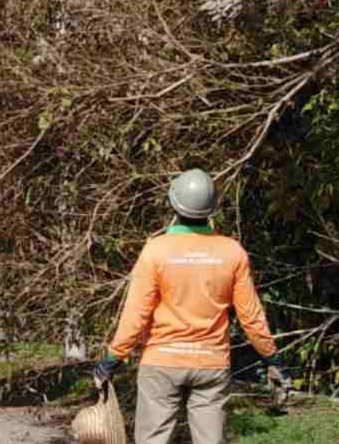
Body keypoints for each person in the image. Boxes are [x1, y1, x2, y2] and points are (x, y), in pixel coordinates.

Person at [92, 168, 290, 444]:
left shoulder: (155, 250)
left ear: (173, 202)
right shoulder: (232, 252)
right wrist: (273, 359)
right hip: (211, 364)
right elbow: (251, 317)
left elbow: (136, 314)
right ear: (212, 208)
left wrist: (112, 358)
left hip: (161, 362)